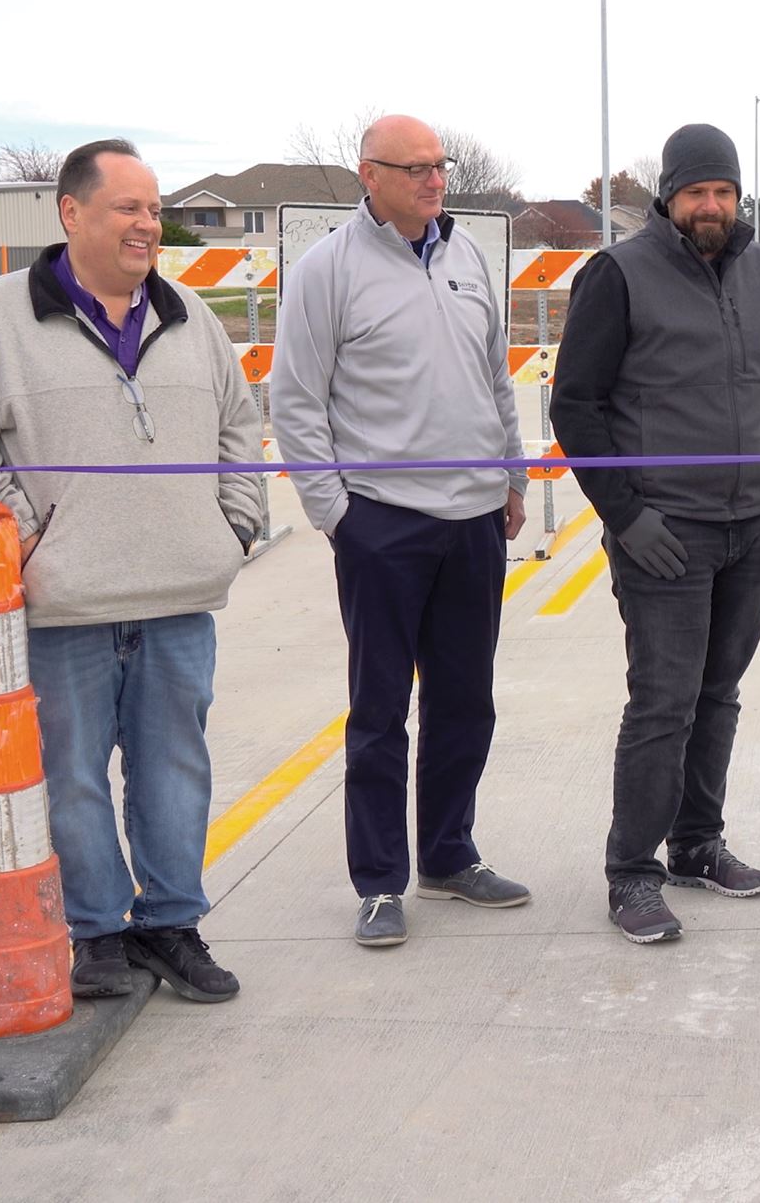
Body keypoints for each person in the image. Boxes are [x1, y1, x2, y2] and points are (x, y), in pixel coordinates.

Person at [0, 137, 264, 1004]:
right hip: (63, 601)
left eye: (153, 210)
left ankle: (173, 924)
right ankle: (101, 934)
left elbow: (239, 423)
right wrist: (20, 540)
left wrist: (235, 526)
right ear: (72, 213)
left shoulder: (190, 314)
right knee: (71, 776)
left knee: (174, 771)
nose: (149, 225)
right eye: (129, 208)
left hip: (180, 594)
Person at [550, 123, 760, 945]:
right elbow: (575, 405)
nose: (712, 205)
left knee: (718, 693)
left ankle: (698, 844)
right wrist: (626, 516)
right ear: (667, 196)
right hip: (666, 531)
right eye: (697, 191)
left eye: (725, 191)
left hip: (754, 528)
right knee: (663, 702)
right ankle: (633, 872)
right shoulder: (619, 275)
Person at [271, 114, 531, 947]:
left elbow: (495, 377)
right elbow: (297, 401)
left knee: (466, 703)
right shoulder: (328, 271)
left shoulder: (465, 259)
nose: (433, 181)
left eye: (440, 167)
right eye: (414, 168)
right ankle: (380, 882)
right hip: (383, 526)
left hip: (473, 523)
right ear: (368, 175)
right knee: (379, 711)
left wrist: (512, 475)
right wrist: (336, 516)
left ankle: (449, 856)